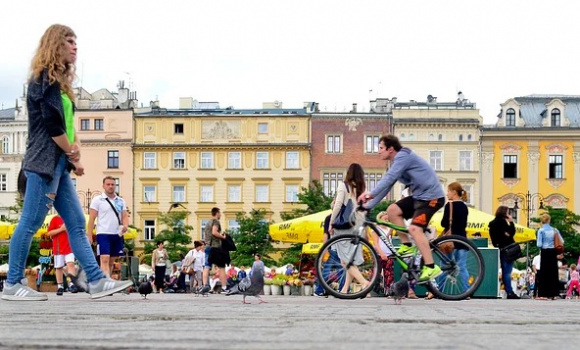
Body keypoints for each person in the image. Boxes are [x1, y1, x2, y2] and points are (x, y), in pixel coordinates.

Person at [1, 24, 132, 301]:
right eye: (69, 41)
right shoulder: (43, 79)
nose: (75, 46)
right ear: (55, 45)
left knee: (75, 223)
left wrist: (75, 155)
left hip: (59, 165)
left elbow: (67, 126)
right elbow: (51, 125)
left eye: (76, 42)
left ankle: (96, 281)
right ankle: (13, 283)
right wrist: (72, 154)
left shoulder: (60, 84)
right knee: (29, 223)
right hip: (43, 164)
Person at [358, 135, 445, 282]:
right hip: (419, 197)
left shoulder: (403, 156)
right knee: (392, 210)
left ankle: (431, 267)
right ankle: (407, 245)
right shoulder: (396, 163)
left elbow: (389, 179)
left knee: (415, 229)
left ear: (390, 149)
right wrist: (368, 206)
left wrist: (370, 194)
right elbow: (387, 187)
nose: (378, 151)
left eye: (380, 148)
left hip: (432, 198)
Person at [330, 163, 369, 293]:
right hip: (358, 227)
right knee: (350, 259)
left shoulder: (344, 185)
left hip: (344, 227)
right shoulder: (362, 189)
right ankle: (345, 289)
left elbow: (338, 205)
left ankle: (364, 282)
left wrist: (331, 222)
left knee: (345, 261)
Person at [87, 176, 129, 278]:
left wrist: (126, 225)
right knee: (104, 258)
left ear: (115, 186)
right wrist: (89, 235)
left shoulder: (120, 201)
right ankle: (105, 283)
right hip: (103, 233)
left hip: (116, 233)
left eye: (112, 185)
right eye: (108, 184)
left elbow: (124, 215)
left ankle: (108, 281)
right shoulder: (98, 200)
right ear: (103, 186)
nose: (110, 186)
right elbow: (92, 218)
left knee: (111, 261)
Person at [440, 182, 469, 288]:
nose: (447, 194)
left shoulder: (449, 205)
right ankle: (466, 291)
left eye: (448, 191)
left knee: (444, 266)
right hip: (462, 240)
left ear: (454, 192)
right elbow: (464, 224)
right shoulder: (465, 207)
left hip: (449, 241)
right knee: (462, 267)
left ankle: (439, 289)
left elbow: (444, 223)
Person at [489, 205, 520, 299]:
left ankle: (508, 290)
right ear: (504, 213)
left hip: (500, 248)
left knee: (504, 270)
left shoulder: (492, 223)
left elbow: (496, 237)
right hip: (508, 249)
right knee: (507, 272)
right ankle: (510, 292)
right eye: (508, 212)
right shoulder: (502, 222)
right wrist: (511, 222)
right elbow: (511, 233)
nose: (509, 214)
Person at [199, 207, 228, 294]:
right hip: (215, 247)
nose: (221, 215)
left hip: (208, 247)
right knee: (222, 267)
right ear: (216, 213)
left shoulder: (207, 223)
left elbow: (207, 235)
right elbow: (214, 232)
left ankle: (205, 286)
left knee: (207, 266)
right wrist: (223, 237)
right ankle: (224, 288)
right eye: (220, 213)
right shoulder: (215, 222)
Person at [46, 215, 77, 295]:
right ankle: (60, 286)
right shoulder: (55, 219)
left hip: (70, 246)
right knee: (59, 267)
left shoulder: (71, 217)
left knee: (70, 264)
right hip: (58, 247)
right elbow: (49, 233)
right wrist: (61, 229)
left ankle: (71, 284)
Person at [536, 213, 563, 300]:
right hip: (553, 252)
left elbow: (539, 244)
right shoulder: (555, 230)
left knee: (544, 273)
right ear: (549, 220)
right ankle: (554, 294)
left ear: (542, 221)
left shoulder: (541, 230)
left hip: (545, 252)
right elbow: (561, 241)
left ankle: (543, 294)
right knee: (553, 273)